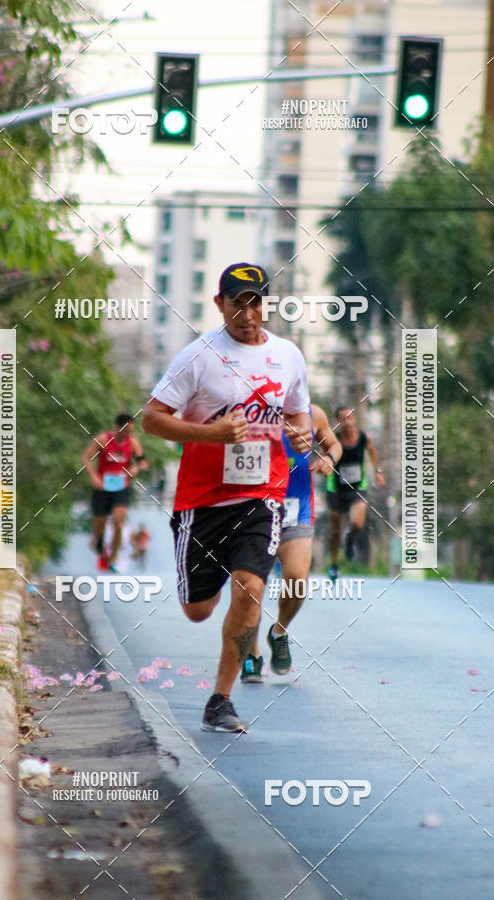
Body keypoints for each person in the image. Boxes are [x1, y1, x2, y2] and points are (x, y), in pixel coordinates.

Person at [142, 262, 313, 733]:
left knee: (252, 587)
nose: (247, 311)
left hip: (263, 495)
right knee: (198, 611)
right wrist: (211, 434)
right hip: (201, 502)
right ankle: (212, 593)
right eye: (237, 301)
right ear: (219, 304)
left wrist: (299, 437)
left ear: (266, 305)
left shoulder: (287, 356)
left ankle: (220, 700)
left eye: (255, 301)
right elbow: (151, 419)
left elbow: (299, 417)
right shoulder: (197, 357)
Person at [241, 404, 342, 682]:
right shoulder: (247, 411)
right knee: (251, 588)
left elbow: (333, 444)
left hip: (296, 511)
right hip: (254, 510)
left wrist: (329, 458)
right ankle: (251, 653)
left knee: (297, 580)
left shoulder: (314, 415)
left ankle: (279, 631)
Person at [326, 405, 386, 581]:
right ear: (338, 421)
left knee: (358, 523)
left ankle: (350, 538)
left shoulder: (362, 438)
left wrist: (378, 472)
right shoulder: (334, 439)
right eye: (343, 418)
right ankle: (334, 563)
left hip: (358, 488)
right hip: (336, 489)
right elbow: (324, 456)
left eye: (350, 417)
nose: (348, 421)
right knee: (334, 530)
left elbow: (373, 452)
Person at [83, 413, 146, 571]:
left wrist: (135, 469)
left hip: (121, 486)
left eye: (131, 431)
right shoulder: (103, 440)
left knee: (118, 522)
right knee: (100, 528)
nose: (128, 435)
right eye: (125, 431)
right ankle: (98, 540)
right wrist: (94, 476)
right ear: (117, 427)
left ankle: (113, 556)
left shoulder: (133, 443)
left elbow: (142, 462)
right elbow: (86, 459)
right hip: (102, 487)